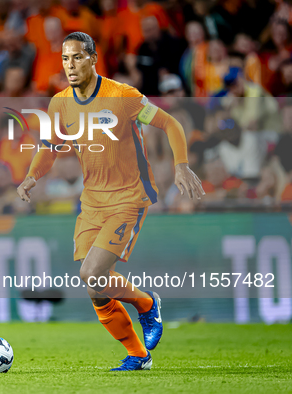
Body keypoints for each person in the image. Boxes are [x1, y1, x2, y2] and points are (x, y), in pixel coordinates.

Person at [16, 32, 204, 371]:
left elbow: (170, 123)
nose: (70, 65)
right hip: (92, 203)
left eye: (76, 57)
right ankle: (138, 355)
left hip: (128, 198)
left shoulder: (122, 96)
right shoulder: (59, 103)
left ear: (92, 58)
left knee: (92, 271)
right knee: (95, 286)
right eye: (64, 58)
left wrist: (181, 166)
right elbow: (49, 148)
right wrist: (32, 177)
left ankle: (147, 305)